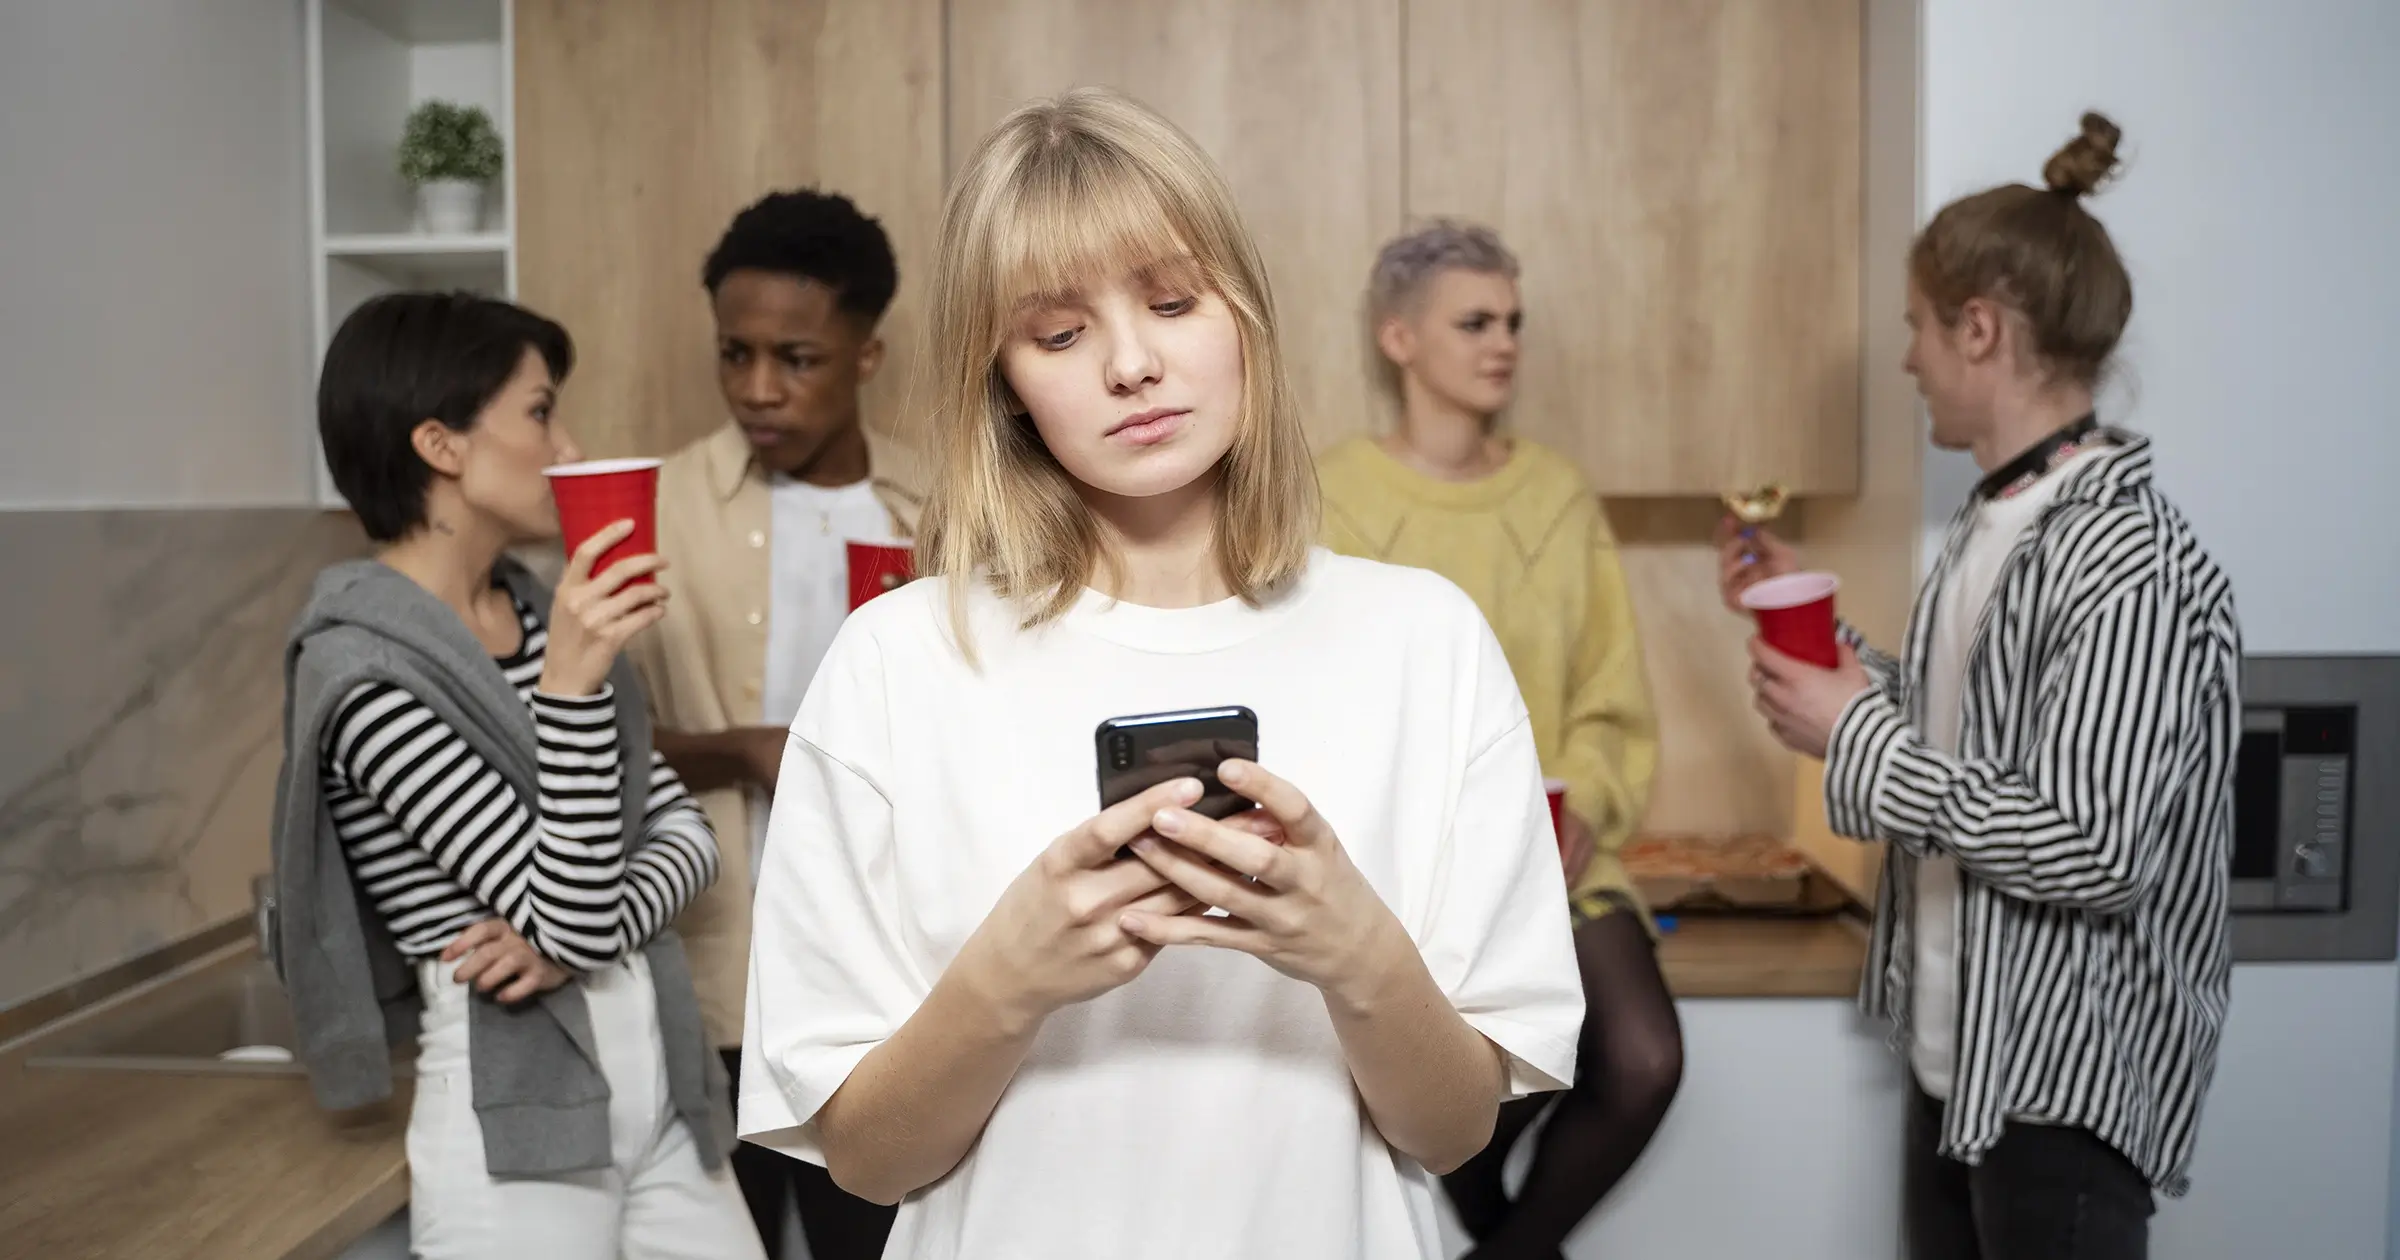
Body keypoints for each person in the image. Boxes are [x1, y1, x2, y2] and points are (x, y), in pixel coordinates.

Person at [735, 87, 1586, 1259]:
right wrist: (1006, 981)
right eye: (1059, 332)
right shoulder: (898, 663)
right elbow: (871, 1164)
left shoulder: (1424, 644)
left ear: (1245, 314)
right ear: (1006, 384)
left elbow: (1452, 1138)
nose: (1133, 364)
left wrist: (1356, 951)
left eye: (1173, 300)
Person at [1725, 114, 2240, 1260]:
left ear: (1980, 328)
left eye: (1917, 327)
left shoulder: (2127, 560)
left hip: (2063, 1082)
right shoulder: (2000, 519)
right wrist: (1838, 658)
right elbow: (1983, 736)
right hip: (1964, 1058)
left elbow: (2093, 844)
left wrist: (1853, 733)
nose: (1906, 357)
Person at [270, 291, 764, 1260]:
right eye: (539, 413)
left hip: (662, 1074)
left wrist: (573, 938)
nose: (569, 446)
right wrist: (572, 685)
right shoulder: (362, 678)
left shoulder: (539, 614)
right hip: (517, 1101)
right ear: (441, 445)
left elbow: (685, 838)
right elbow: (580, 907)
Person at [1317, 220, 1682, 1258]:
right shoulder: (1332, 495)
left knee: (1645, 1059)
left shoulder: (1559, 495)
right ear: (1398, 339)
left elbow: (1612, 693)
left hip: (1562, 859)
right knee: (1441, 1097)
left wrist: (1590, 810)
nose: (1504, 343)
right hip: (1401, 872)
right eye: (1474, 321)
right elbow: (1315, 692)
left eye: (1513, 322)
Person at [629, 188, 921, 1259]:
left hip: (887, 984)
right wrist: (741, 750)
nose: (759, 388)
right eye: (734, 354)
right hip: (719, 974)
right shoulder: (652, 508)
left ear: (867, 355)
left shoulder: (938, 510)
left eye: (796, 358)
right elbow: (585, 742)